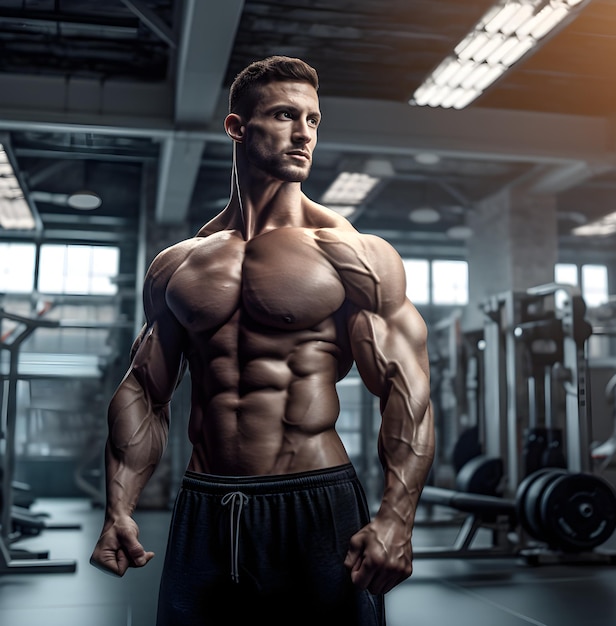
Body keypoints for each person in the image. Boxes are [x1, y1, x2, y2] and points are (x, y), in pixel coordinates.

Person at [90, 55, 435, 626]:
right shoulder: (178, 264)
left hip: (315, 501)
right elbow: (145, 391)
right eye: (283, 115)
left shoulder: (352, 254)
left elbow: (407, 392)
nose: (304, 134)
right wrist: (119, 508)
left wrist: (397, 517)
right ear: (237, 127)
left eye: (313, 120)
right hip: (205, 503)